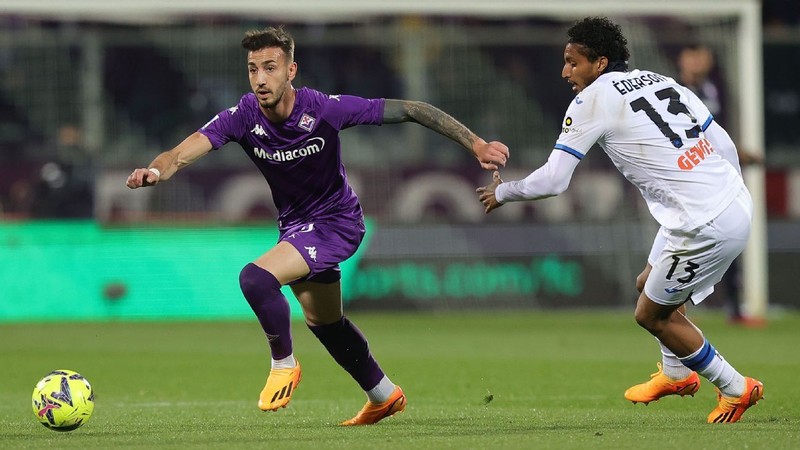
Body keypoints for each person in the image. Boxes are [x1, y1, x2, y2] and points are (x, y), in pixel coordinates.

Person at [126, 26, 509, 426]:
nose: (260, 79)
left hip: (337, 223)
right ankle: (384, 395)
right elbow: (181, 153)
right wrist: (155, 170)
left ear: (291, 71)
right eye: (253, 69)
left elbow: (412, 109)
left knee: (255, 279)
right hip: (296, 227)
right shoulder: (241, 117)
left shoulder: (325, 109)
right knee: (325, 323)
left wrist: (476, 144)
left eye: (270, 68)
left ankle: (283, 364)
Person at [476, 17, 763, 423]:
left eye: (573, 63)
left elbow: (555, 180)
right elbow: (722, 142)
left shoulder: (592, 100)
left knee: (649, 314)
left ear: (600, 62)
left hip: (704, 221)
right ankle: (676, 374)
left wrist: (503, 192)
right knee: (648, 283)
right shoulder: (658, 79)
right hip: (727, 201)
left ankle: (736, 388)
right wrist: (730, 194)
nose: (565, 73)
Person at [676, 43, 764, 326]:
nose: (699, 60)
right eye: (693, 54)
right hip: (686, 181)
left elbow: (716, 135)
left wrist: (734, 153)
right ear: (682, 59)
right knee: (686, 242)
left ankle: (735, 308)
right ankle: (670, 301)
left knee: (729, 239)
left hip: (714, 180)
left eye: (703, 54)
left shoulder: (713, 90)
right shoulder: (675, 94)